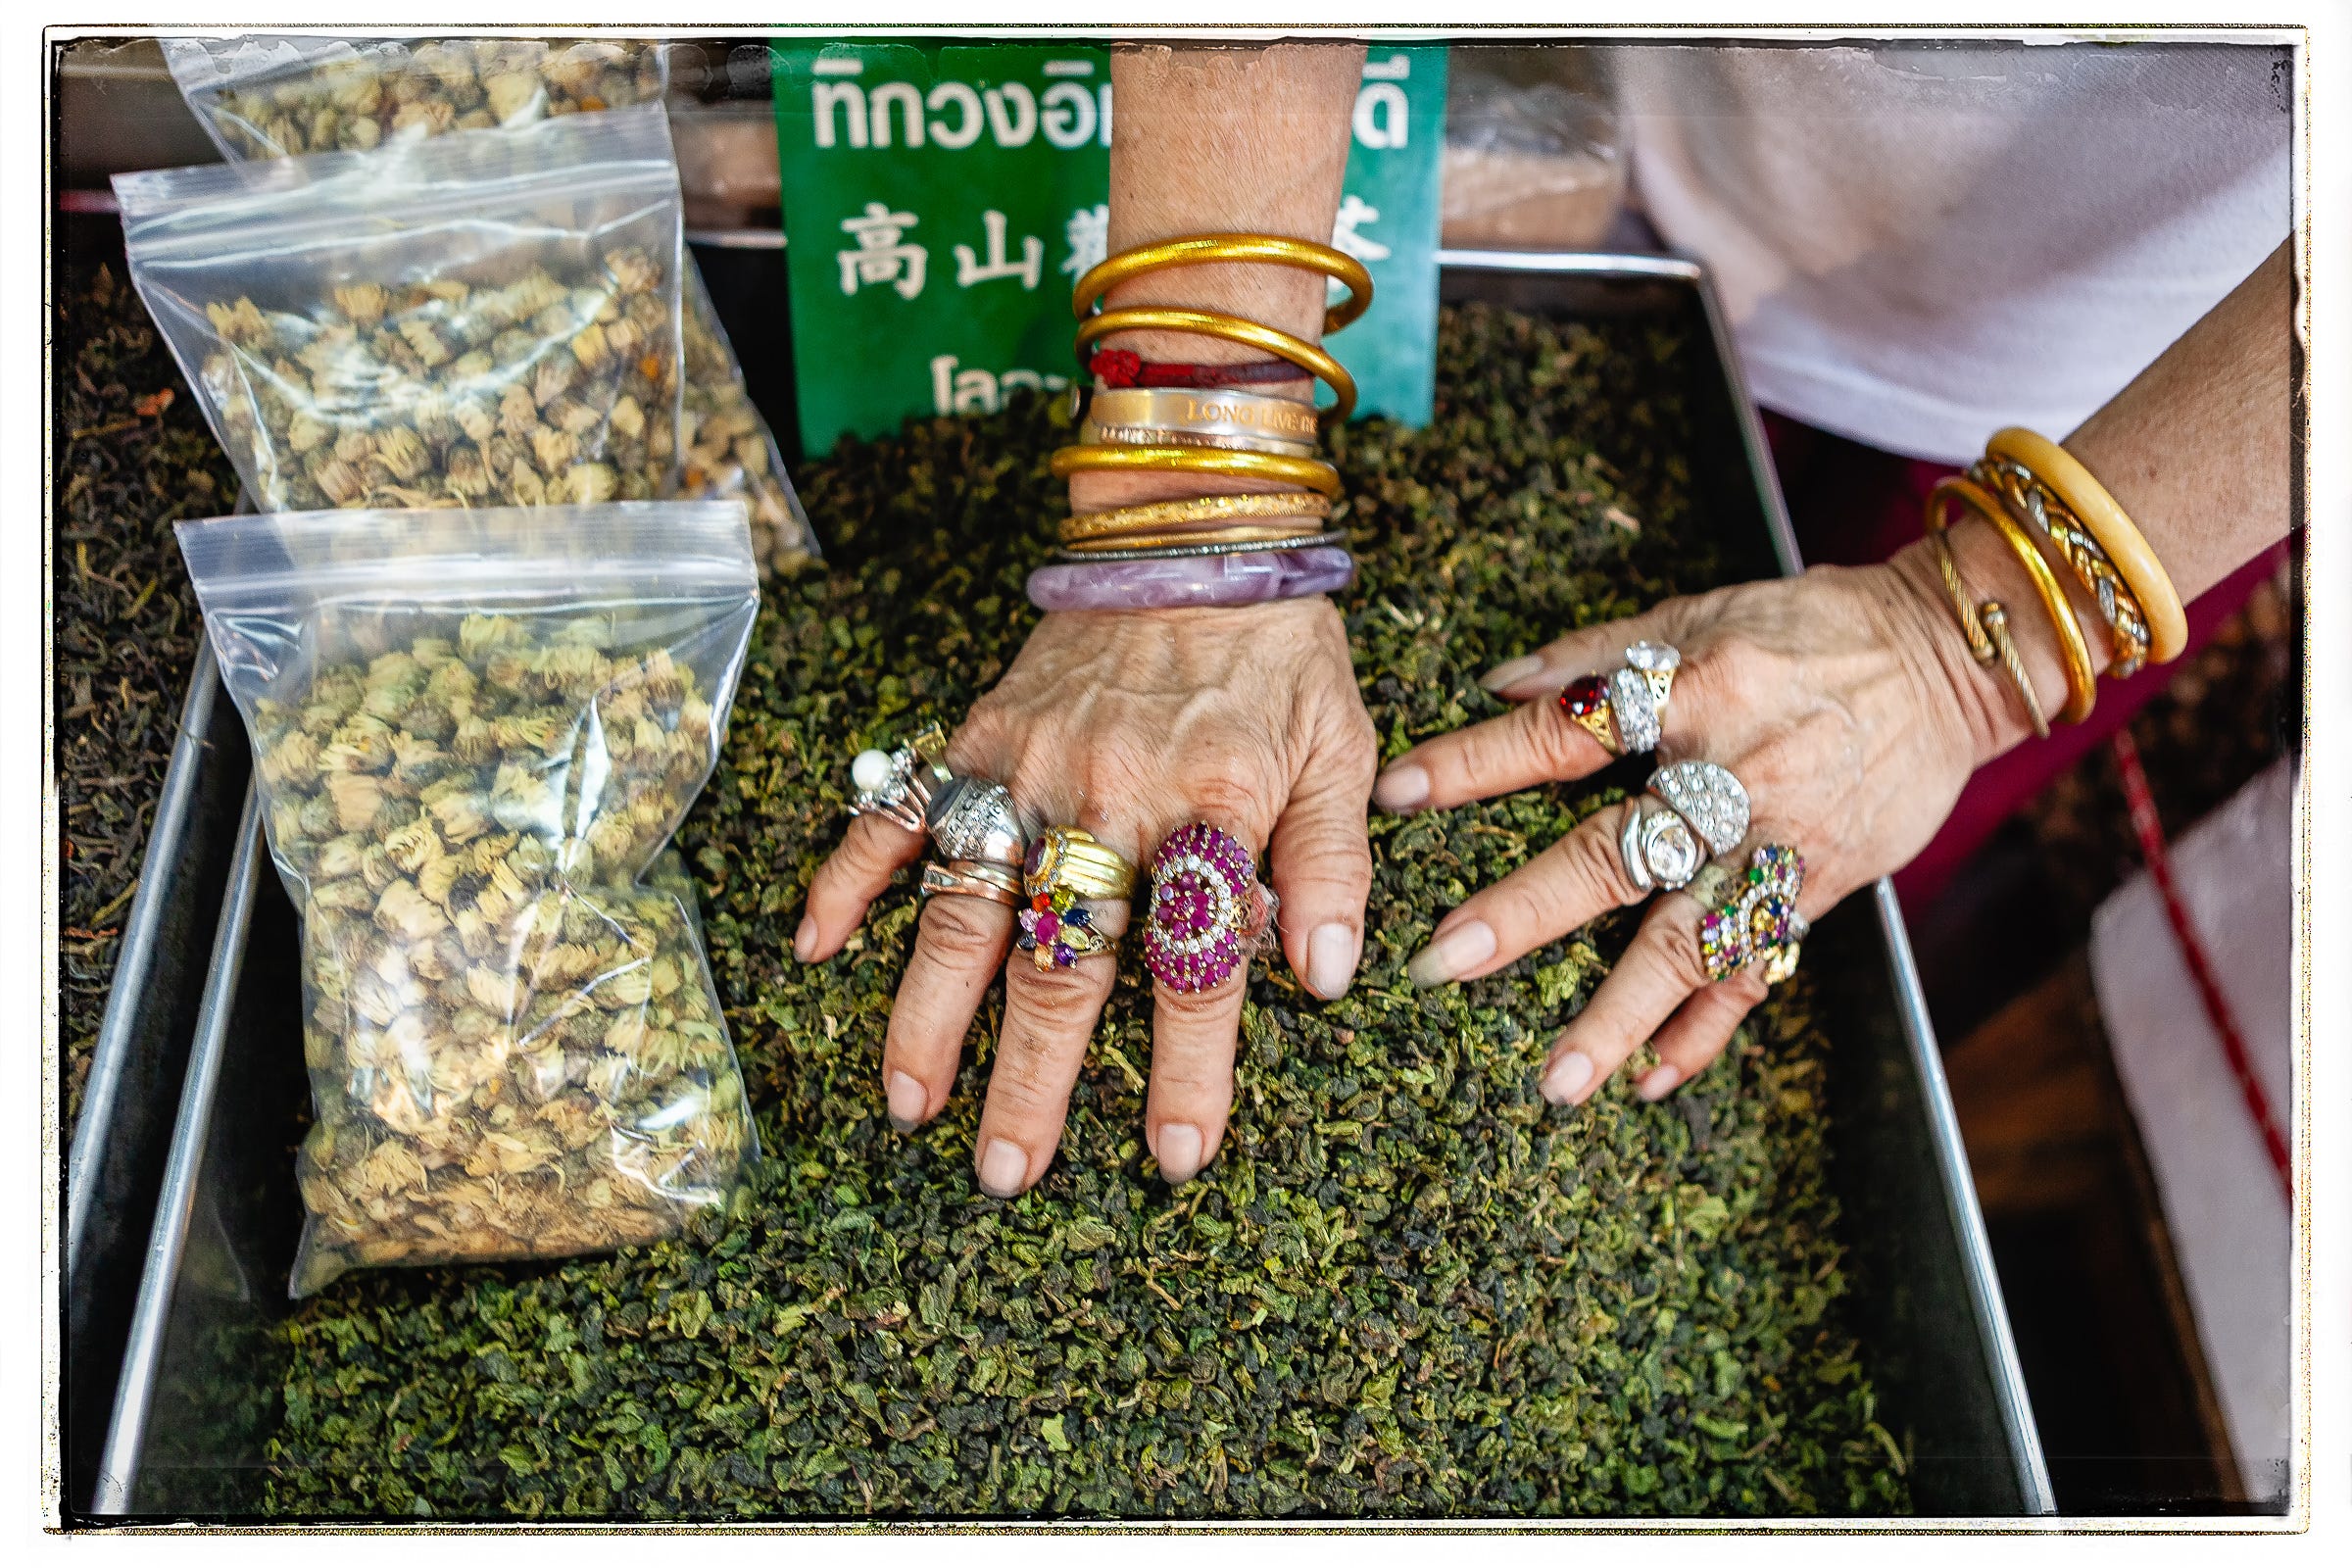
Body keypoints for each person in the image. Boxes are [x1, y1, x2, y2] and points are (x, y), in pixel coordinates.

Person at [800, 39, 2296, 1199]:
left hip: (2174, 454)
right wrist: (1190, 522)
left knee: (1796, 859)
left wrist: (1961, 661)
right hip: (1629, 174)